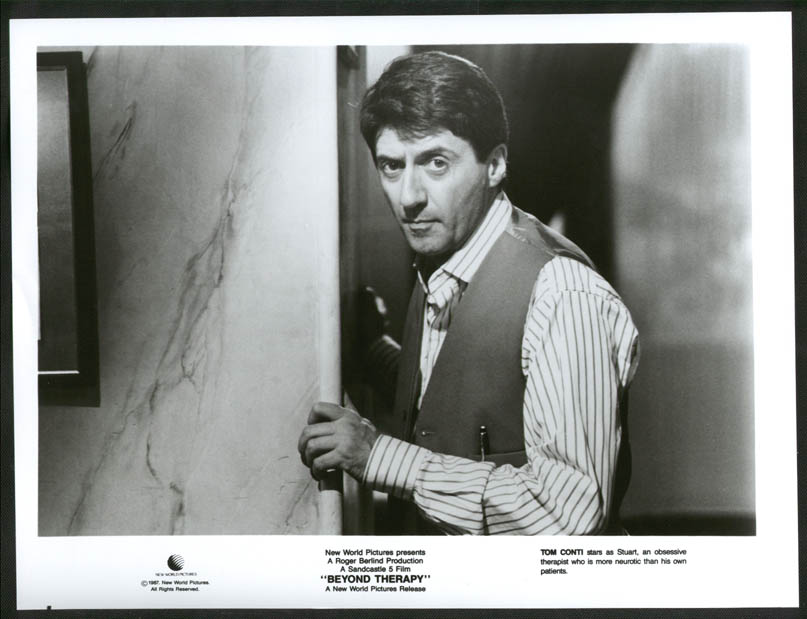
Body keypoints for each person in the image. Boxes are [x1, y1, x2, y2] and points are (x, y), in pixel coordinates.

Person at [298, 51, 639, 535]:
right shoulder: (447, 258)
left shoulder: (563, 293)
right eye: (392, 167)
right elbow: (469, 395)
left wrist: (379, 457)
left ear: (494, 165)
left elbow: (567, 515)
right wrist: (373, 351)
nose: (409, 197)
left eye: (436, 163)